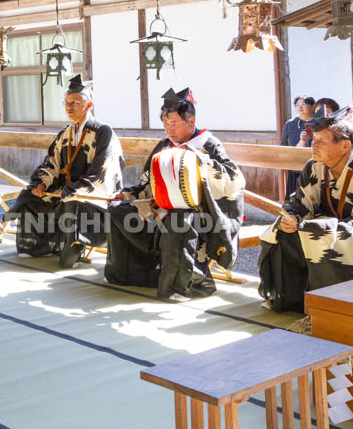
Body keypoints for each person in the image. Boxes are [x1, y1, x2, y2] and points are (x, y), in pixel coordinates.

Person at [105, 88, 246, 300]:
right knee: (117, 210)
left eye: (173, 123)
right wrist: (127, 195)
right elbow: (146, 182)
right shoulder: (164, 145)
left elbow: (234, 180)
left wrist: (198, 160)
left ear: (191, 121)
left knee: (178, 220)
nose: (168, 128)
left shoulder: (208, 145)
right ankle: (135, 275)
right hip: (160, 206)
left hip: (199, 212)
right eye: (165, 123)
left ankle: (184, 284)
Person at [6, 74, 124, 268]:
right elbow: (52, 162)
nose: (69, 106)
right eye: (67, 102)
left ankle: (71, 256)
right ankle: (36, 247)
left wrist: (75, 189)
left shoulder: (103, 131)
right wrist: (41, 182)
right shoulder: (65, 133)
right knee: (30, 195)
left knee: (72, 202)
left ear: (88, 105)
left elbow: (104, 170)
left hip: (92, 194)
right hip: (65, 189)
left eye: (75, 102)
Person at [259, 106, 353, 312]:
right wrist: (292, 217)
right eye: (314, 138)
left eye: (321, 140)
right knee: (282, 231)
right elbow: (298, 202)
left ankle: (332, 308)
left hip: (347, 232)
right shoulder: (314, 166)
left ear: (345, 146)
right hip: (326, 224)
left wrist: (320, 227)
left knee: (317, 234)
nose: (313, 144)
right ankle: (292, 300)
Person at [281, 95, 316, 199]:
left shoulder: (319, 123)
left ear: (312, 106)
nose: (300, 107)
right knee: (293, 198)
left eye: (303, 104)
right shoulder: (290, 124)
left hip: (315, 168)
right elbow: (284, 146)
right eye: (297, 105)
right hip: (294, 167)